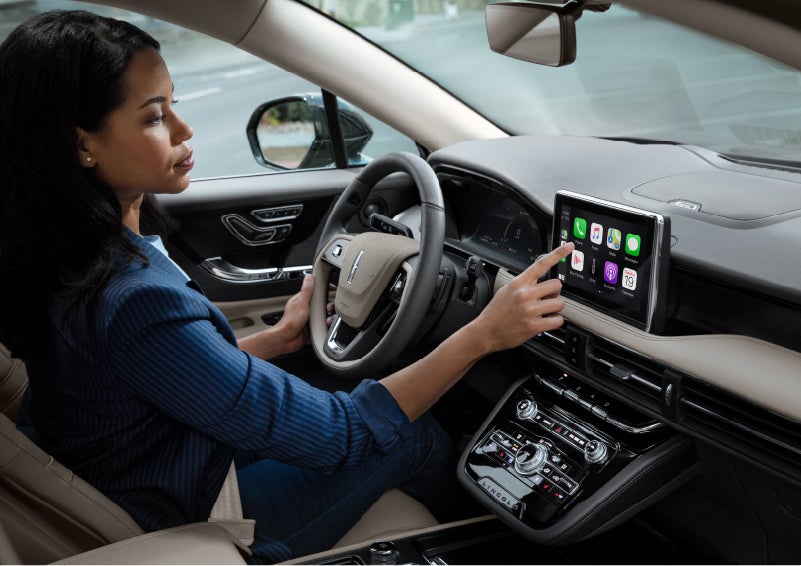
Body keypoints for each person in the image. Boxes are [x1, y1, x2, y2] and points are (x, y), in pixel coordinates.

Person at [0, 9, 573, 564]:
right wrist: (482, 334)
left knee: (345, 379)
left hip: (148, 462)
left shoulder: (73, 256)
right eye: (154, 118)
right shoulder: (132, 297)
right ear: (81, 145)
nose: (184, 128)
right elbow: (341, 437)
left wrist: (274, 340)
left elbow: (150, 372)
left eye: (175, 105)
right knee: (412, 435)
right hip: (185, 514)